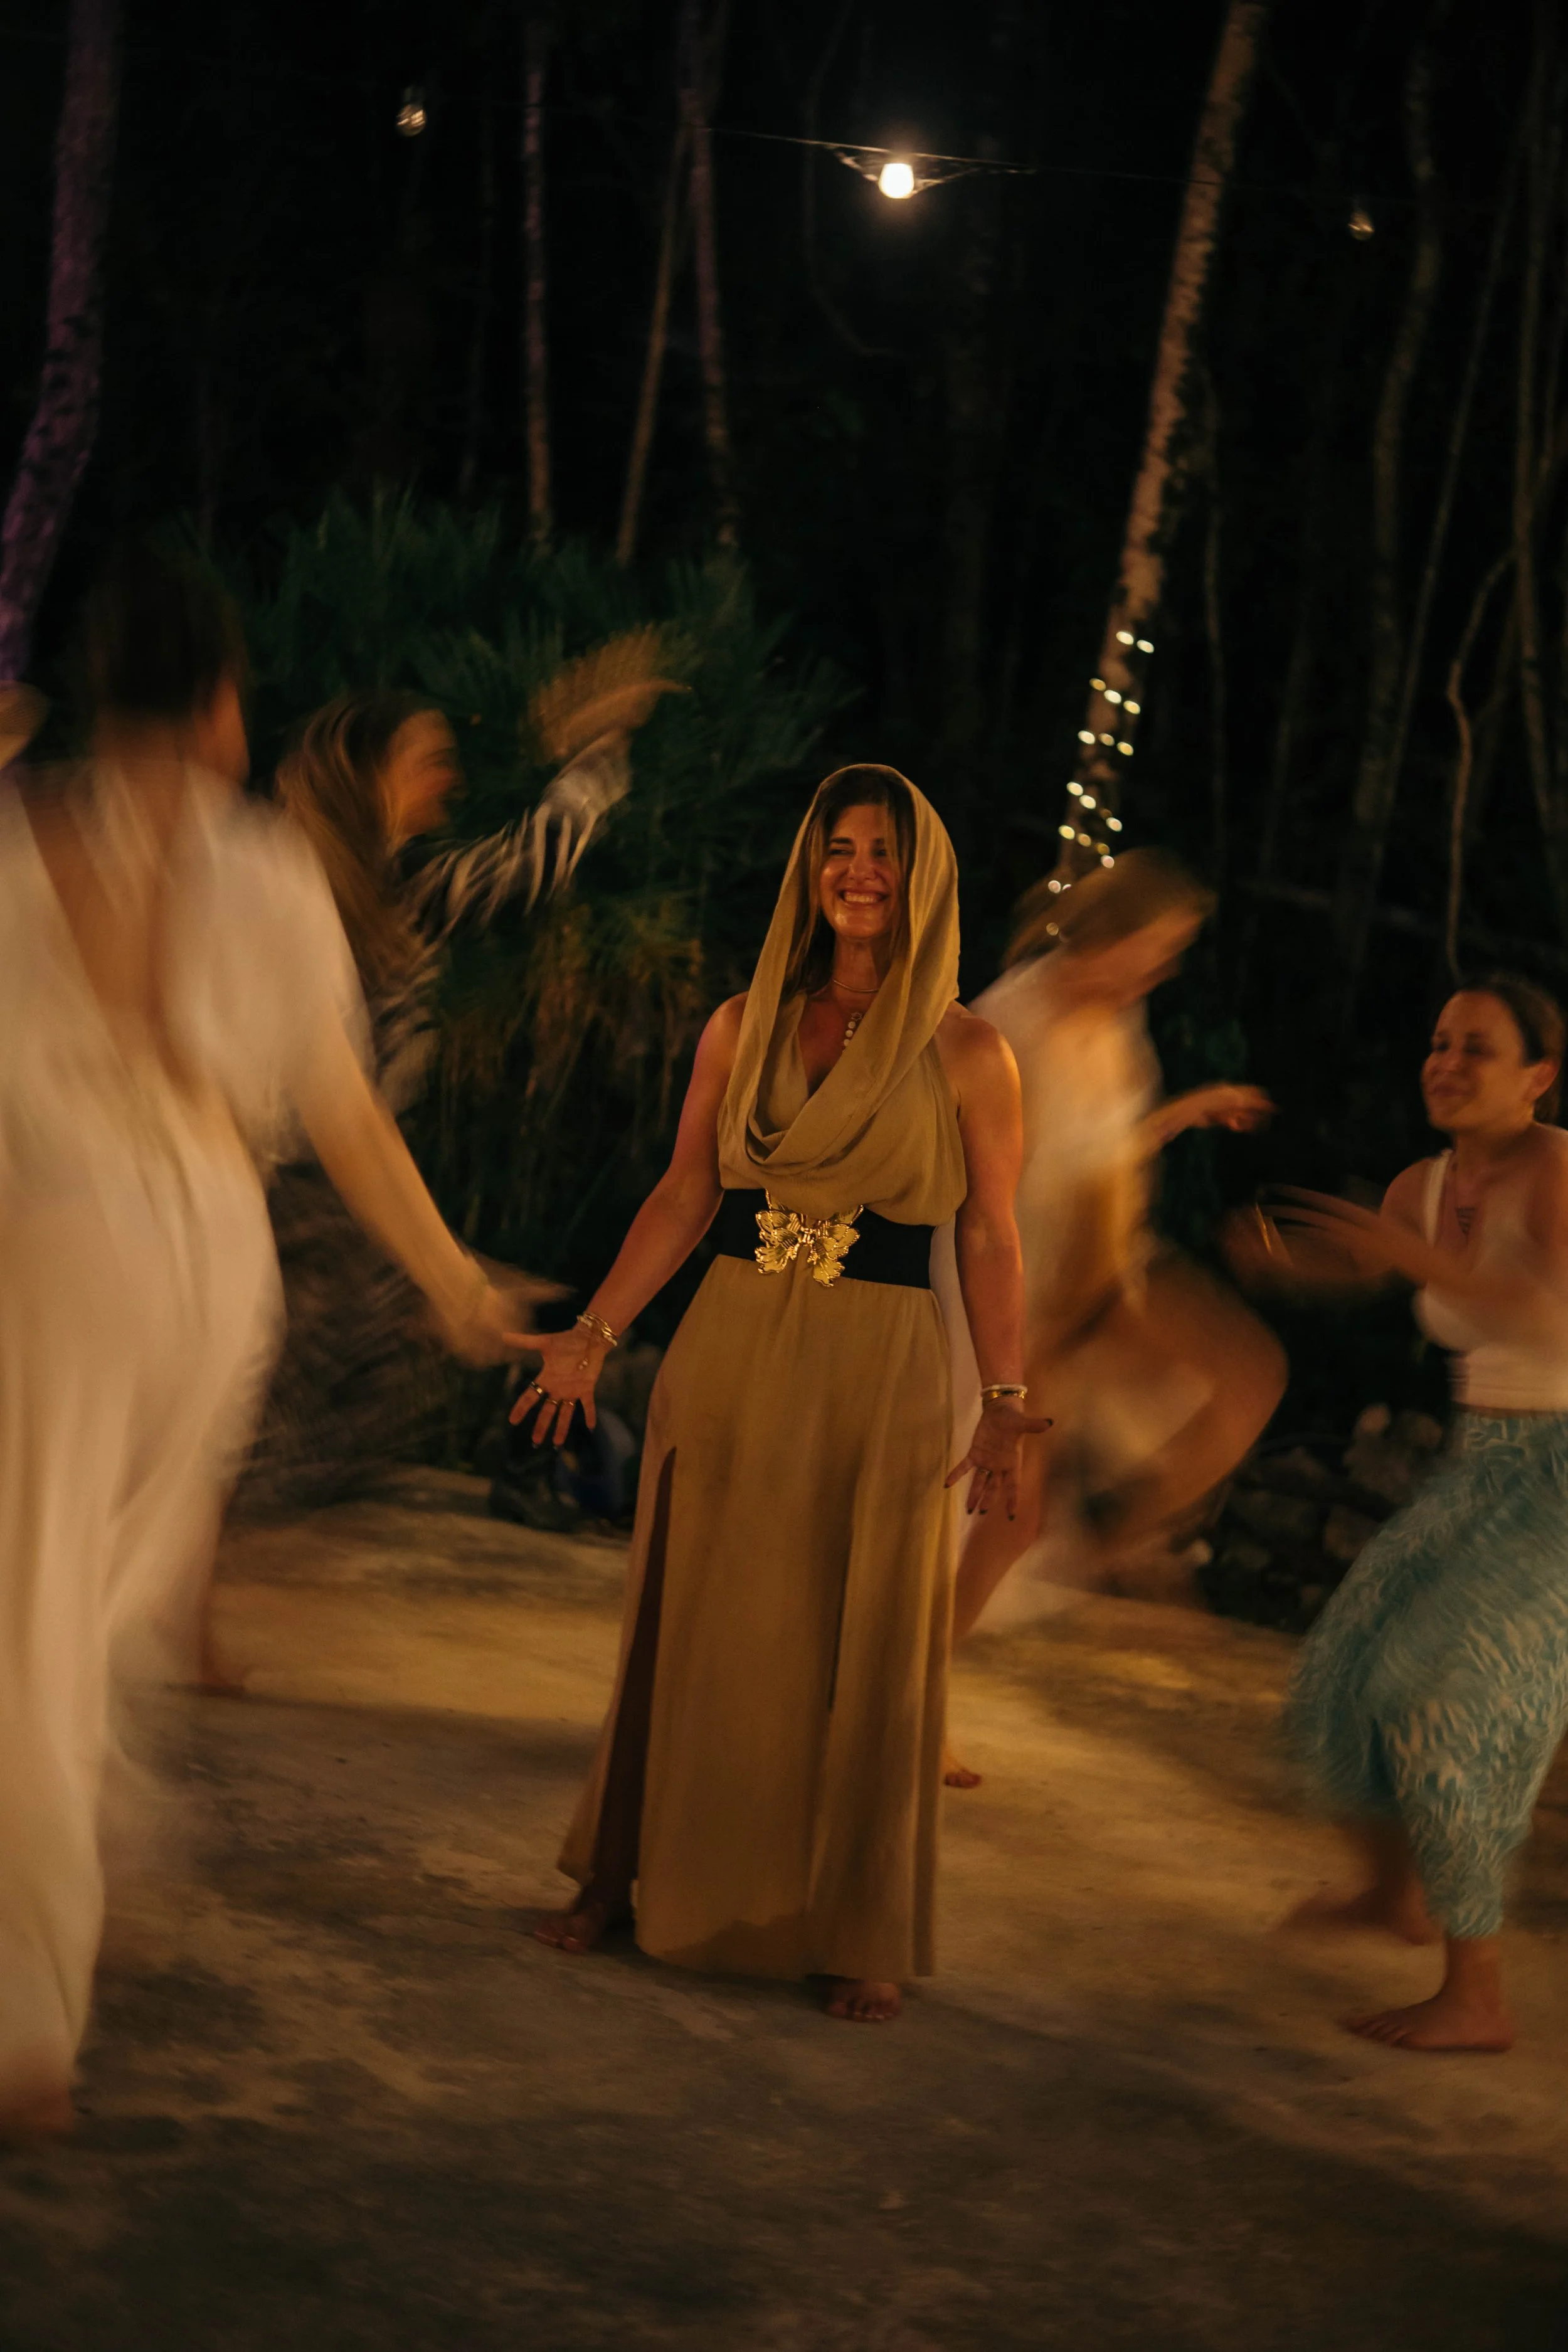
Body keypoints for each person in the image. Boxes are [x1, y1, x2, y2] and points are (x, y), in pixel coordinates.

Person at [0, 547, 527, 2136]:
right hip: (211, 1267)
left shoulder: (21, 844)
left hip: (60, 1241)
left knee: (35, 1616)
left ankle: (31, 2009)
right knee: (85, 1608)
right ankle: (78, 1838)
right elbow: (346, 1116)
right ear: (226, 708)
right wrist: (450, 1280)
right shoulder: (271, 872)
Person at [519, 765, 1046, 2021]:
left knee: (860, 1644)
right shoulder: (741, 1021)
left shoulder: (972, 1051)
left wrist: (1009, 1401)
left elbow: (989, 1237)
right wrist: (591, 1334)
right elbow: (685, 1195)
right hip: (734, 1337)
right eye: (837, 849)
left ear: (922, 880)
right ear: (810, 874)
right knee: (688, 1615)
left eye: (882, 851)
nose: (858, 871)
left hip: (881, 1361)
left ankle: (851, 1922)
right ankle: (618, 1874)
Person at [233, 633, 675, 1521]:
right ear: (371, 772)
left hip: (305, 1179)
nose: (449, 776)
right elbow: (534, 863)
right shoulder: (388, 885)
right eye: (428, 758)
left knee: (298, 1390)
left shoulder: (319, 876)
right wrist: (598, 754)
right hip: (310, 1178)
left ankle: (200, 1574)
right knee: (312, 1398)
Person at [1230, 975, 1568, 2053]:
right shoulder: (1424, 1182)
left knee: (1442, 1703)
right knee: (1345, 1675)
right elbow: (1373, 1271)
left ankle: (1478, 1993)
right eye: (1439, 1042)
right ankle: (1393, 1898)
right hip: (1485, 1462)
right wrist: (1291, 1265)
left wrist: (1416, 1255)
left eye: (1479, 1048)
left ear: (1539, 1078)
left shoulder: (1558, 1171)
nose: (1448, 1062)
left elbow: (1540, 1308)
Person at [936, 852, 1283, 1781]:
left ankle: (1119, 1541)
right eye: (1158, 948)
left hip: (1105, 1270)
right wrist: (1032, 1330)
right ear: (1109, 936)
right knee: (1003, 1519)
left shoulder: (1113, 1019)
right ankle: (909, 1695)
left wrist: (1181, 1114)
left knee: (1244, 1379)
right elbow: (1001, 1182)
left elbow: (1101, 1151)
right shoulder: (1015, 1020)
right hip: (1036, 1286)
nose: (1163, 970)